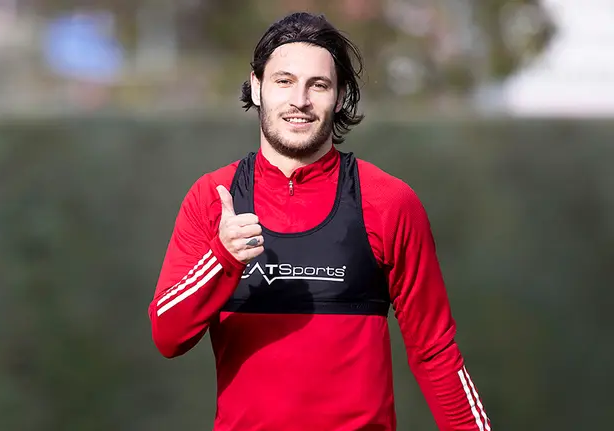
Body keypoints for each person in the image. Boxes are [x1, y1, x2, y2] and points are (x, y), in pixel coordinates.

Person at [148, 12, 492, 431]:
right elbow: (168, 336)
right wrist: (223, 258)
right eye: (284, 81)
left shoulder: (389, 202)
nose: (300, 100)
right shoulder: (213, 198)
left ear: (340, 95)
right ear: (256, 86)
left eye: (319, 85)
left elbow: (435, 351)